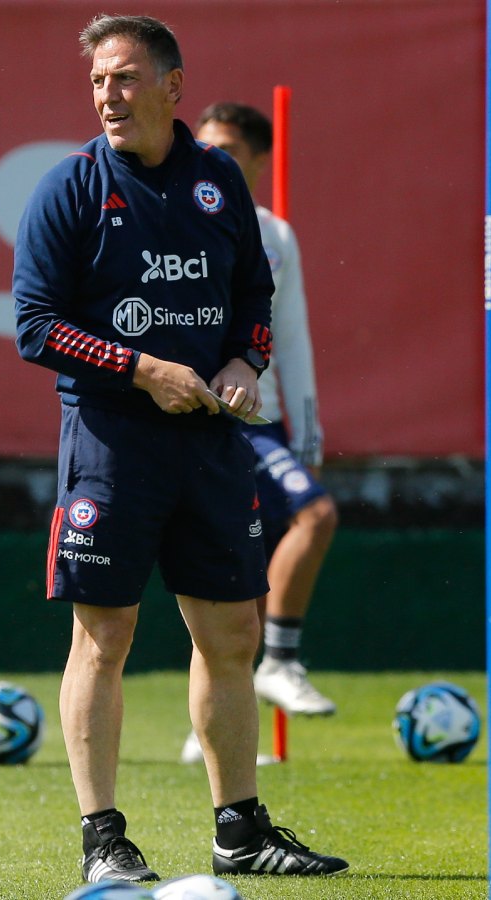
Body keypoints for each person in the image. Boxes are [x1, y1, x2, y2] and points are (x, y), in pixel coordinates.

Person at [12, 15, 348, 883]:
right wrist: (138, 367)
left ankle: (239, 829)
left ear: (172, 86)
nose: (107, 97)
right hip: (111, 442)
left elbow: (255, 296)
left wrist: (245, 358)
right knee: (105, 635)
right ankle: (103, 841)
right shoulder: (68, 187)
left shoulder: (219, 181)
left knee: (232, 633)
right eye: (97, 83)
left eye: (124, 78)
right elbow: (34, 326)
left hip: (211, 443)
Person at [177, 103, 337, 766]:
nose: (219, 160)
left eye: (234, 150)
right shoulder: (175, 215)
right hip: (207, 422)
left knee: (282, 540)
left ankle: (267, 669)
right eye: (209, 147)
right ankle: (272, 666)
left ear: (260, 160)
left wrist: (309, 422)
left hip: (260, 422)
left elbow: (291, 334)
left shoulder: (275, 233)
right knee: (231, 570)